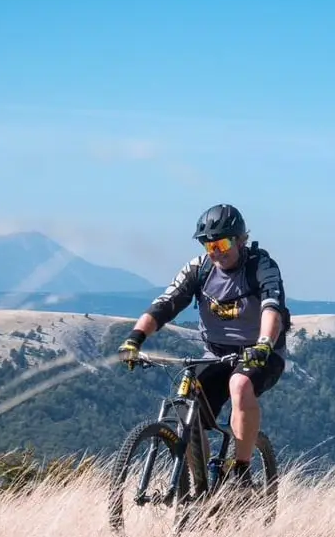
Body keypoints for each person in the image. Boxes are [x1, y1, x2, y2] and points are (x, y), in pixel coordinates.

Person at [116, 203, 289, 486]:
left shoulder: (261, 266)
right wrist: (134, 339)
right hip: (216, 354)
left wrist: (264, 344)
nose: (216, 251)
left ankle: (241, 470)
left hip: (262, 353)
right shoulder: (199, 269)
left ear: (240, 240)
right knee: (186, 406)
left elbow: (272, 308)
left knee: (240, 385)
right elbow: (165, 305)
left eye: (222, 243)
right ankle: (202, 485)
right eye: (210, 246)